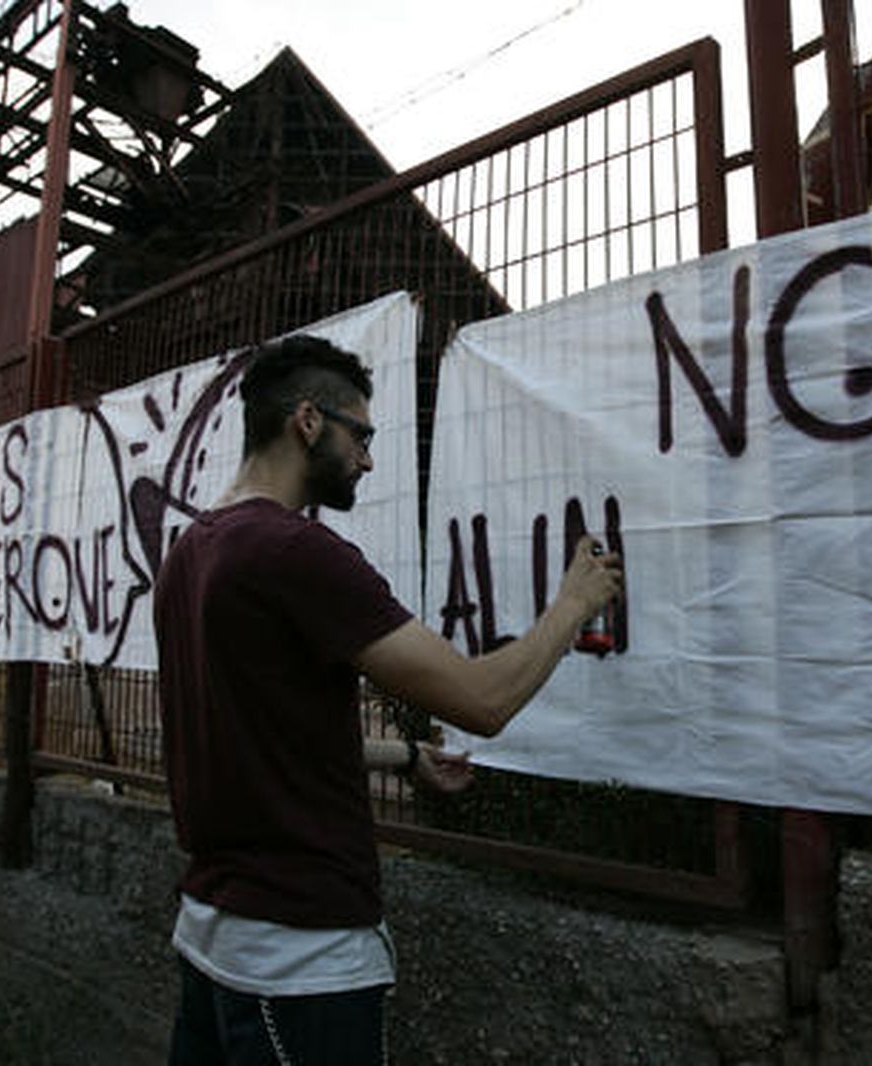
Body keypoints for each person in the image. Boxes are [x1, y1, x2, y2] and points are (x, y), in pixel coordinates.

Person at [154, 333, 622, 1065]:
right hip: (300, 966)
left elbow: (262, 732)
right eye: (361, 435)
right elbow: (483, 701)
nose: (369, 458)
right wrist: (571, 606)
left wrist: (404, 757)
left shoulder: (191, 552)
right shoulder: (296, 553)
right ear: (308, 422)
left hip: (213, 941)